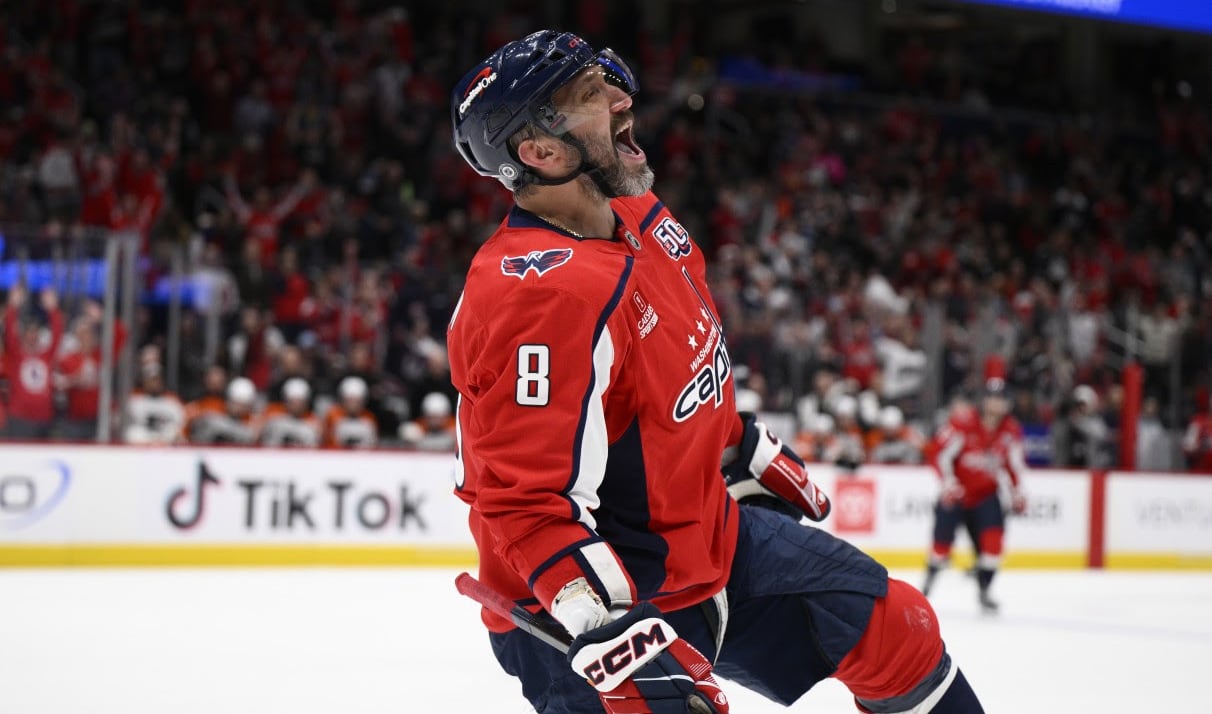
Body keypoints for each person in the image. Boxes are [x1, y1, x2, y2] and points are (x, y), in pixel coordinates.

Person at [448, 30, 985, 714]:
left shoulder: (637, 213)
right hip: (594, 607)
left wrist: (733, 440)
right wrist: (603, 624)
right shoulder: (539, 293)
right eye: (591, 94)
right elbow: (521, 501)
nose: (622, 98)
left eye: (607, 78)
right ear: (542, 153)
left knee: (896, 632)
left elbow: (673, 356)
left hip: (711, 543)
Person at [922, 380, 1028, 613]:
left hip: (985, 495)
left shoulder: (1011, 431)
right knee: (940, 548)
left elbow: (1014, 465)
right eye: (992, 397)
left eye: (1001, 399)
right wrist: (949, 483)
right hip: (957, 495)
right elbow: (938, 454)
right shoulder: (962, 423)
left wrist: (1018, 492)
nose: (996, 404)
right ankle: (925, 589)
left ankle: (984, 590)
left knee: (993, 545)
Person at [3, 285, 63, 440]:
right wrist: (13, 306)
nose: (32, 337)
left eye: (35, 333)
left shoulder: (46, 356)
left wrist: (53, 309)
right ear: (23, 336)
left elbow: (57, 335)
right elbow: (9, 333)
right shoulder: (16, 355)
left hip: (44, 418)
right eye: (29, 333)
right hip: (19, 417)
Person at [124, 365, 186, 445]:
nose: (154, 384)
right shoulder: (135, 401)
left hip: (166, 439)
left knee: (174, 432)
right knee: (133, 432)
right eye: (151, 380)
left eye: (157, 380)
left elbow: (182, 424)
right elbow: (126, 424)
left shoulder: (173, 402)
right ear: (144, 382)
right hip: (144, 438)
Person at [260, 377, 321, 447]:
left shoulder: (313, 424)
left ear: (306, 402)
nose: (296, 405)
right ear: (286, 401)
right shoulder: (273, 417)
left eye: (300, 402)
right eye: (293, 401)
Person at [322, 376, 377, 448]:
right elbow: (327, 442)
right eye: (350, 400)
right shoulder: (333, 416)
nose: (353, 405)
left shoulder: (369, 418)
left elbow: (372, 443)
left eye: (357, 401)